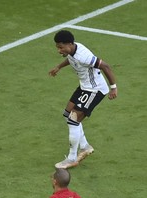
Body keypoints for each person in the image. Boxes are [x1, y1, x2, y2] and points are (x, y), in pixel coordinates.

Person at [49, 29, 118, 169]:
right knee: (67, 114)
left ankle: (72, 158)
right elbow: (71, 59)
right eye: (57, 47)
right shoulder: (73, 50)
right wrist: (59, 67)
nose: (59, 50)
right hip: (84, 86)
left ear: (69, 44)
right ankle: (85, 147)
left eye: (61, 47)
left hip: (95, 89)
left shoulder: (83, 55)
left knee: (73, 120)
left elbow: (105, 66)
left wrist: (113, 87)